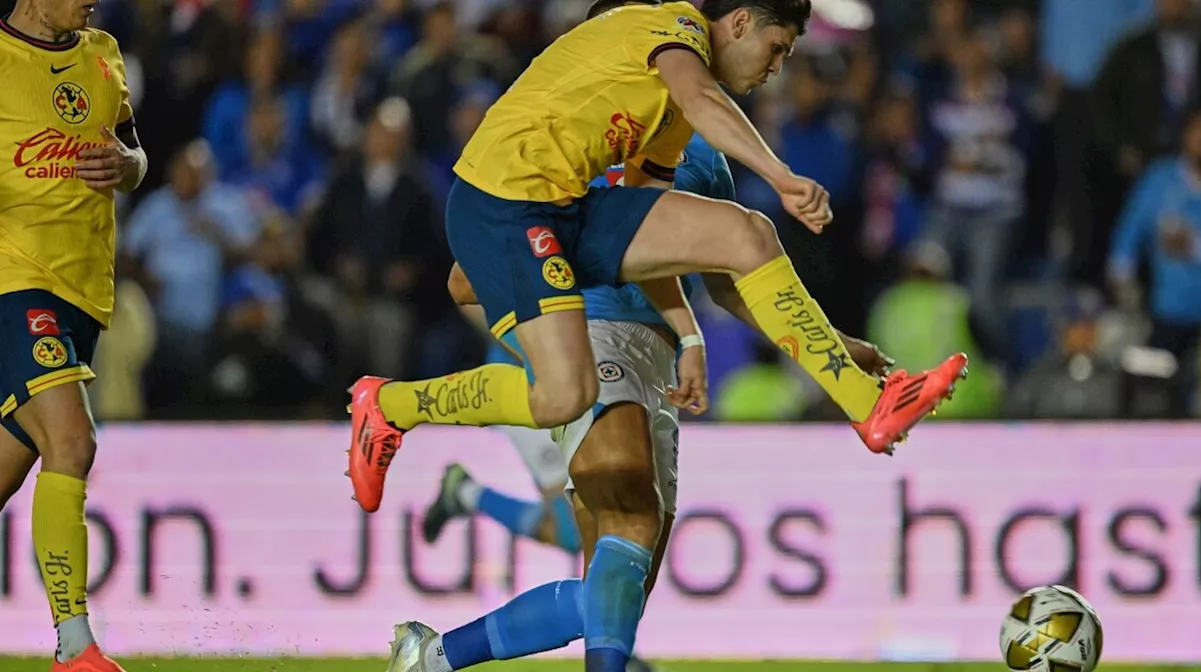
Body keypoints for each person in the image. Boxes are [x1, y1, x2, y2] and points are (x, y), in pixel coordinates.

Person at [348, 1, 966, 669]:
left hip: (595, 264)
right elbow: (465, 279)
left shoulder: (670, 126)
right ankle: (390, 407)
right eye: (778, 48)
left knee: (746, 234)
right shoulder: (675, 39)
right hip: (532, 233)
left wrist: (797, 339)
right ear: (737, 23)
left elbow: (661, 238)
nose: (777, 69)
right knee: (582, 436)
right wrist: (783, 177)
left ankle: (435, 656)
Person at [0, 1, 148, 671]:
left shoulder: (104, 53)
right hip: (14, 283)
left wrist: (126, 166)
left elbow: (137, 153)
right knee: (73, 440)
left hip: (84, 292)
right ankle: (74, 647)